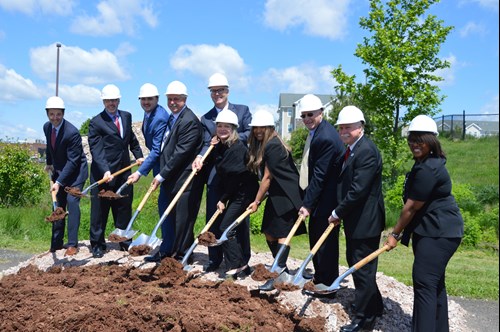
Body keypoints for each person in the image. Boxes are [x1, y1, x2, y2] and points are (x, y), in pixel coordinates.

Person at [384, 115, 464, 332]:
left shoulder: (428, 168)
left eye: (420, 139)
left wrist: (395, 234)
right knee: (434, 284)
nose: (414, 143)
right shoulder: (427, 163)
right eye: (411, 139)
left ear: (432, 141)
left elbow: (410, 208)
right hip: (436, 231)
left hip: (438, 233)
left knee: (424, 284)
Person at [328, 106, 385, 332]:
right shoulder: (353, 149)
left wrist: (337, 212)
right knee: (361, 266)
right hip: (357, 220)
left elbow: (358, 190)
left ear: (360, 127)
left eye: (348, 127)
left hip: (365, 221)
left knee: (362, 269)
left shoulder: (366, 151)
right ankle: (376, 306)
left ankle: (364, 320)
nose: (343, 131)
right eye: (341, 127)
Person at [192, 73, 252, 272]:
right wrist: (200, 156)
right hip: (217, 175)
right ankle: (215, 259)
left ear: (227, 91)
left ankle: (242, 260)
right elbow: (204, 144)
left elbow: (250, 134)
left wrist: (227, 137)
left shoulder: (242, 111)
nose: (217, 93)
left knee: (237, 221)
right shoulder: (206, 118)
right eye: (213, 91)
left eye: (221, 90)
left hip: (239, 174)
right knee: (214, 216)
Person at [246, 110, 307, 290]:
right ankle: (282, 269)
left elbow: (267, 178)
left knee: (281, 233)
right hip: (277, 195)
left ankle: (278, 272)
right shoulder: (269, 144)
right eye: (255, 128)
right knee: (269, 231)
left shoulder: (273, 146)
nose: (257, 131)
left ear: (270, 128)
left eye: (261, 127)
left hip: (287, 196)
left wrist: (256, 201)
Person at [145, 80, 203, 263]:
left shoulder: (190, 121)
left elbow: (181, 153)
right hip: (171, 177)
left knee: (183, 219)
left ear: (184, 99)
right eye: (170, 99)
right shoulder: (173, 118)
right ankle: (167, 251)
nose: (172, 103)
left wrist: (161, 175)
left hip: (184, 178)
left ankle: (182, 255)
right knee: (168, 217)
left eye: (176, 99)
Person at [88, 84, 144, 258]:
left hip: (123, 172)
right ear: (103, 101)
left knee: (123, 207)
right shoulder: (96, 122)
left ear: (119, 100)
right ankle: (97, 244)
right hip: (103, 174)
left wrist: (139, 155)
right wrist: (105, 170)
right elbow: (96, 150)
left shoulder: (126, 117)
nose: (111, 103)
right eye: (108, 100)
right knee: (100, 210)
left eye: (114, 100)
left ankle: (124, 241)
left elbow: (132, 140)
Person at [201, 109, 258, 277]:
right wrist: (212, 146)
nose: (222, 129)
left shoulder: (237, 149)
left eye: (227, 126)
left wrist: (223, 199)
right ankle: (241, 265)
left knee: (226, 226)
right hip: (235, 192)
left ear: (234, 129)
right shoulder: (223, 146)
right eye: (219, 126)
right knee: (232, 227)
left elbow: (234, 179)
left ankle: (237, 265)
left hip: (243, 194)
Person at [296, 94, 344, 289]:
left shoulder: (325, 137)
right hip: (321, 196)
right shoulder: (318, 131)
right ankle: (320, 276)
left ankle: (327, 283)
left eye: (311, 114)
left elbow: (320, 176)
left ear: (321, 113)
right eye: (304, 115)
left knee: (325, 243)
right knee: (317, 239)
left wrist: (307, 204)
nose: (307, 119)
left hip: (327, 199)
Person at [43, 96, 88, 256]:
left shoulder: (72, 132)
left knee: (71, 202)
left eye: (58, 114)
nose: (55, 118)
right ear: (47, 114)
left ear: (63, 114)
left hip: (76, 173)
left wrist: (59, 182)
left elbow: (73, 161)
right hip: (60, 171)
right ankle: (56, 243)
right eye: (52, 114)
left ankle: (72, 245)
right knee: (58, 205)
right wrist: (49, 163)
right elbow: (50, 146)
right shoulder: (47, 127)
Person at [127, 83, 170, 241]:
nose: (146, 102)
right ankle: (167, 242)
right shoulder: (149, 113)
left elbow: (158, 150)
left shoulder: (159, 117)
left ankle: (169, 245)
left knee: (166, 205)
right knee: (163, 204)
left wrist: (139, 172)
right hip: (158, 161)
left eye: (149, 99)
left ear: (157, 99)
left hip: (166, 165)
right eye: (143, 99)